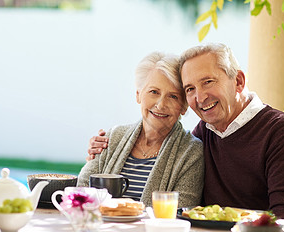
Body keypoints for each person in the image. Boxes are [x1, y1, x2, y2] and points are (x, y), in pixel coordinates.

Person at [88, 43, 284, 220]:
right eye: (190, 89)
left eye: (208, 82)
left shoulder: (280, 130)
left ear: (239, 81)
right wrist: (98, 148)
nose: (200, 98)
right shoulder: (204, 132)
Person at [77, 52, 204, 208]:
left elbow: (181, 209)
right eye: (154, 92)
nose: (161, 104)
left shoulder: (191, 152)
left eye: (173, 96)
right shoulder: (112, 137)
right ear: (138, 95)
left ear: (184, 107)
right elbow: (81, 191)